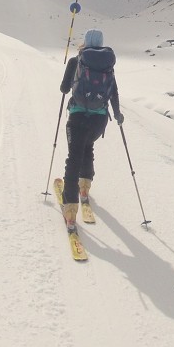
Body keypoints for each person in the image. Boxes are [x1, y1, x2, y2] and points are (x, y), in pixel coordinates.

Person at [59, 28, 124, 228]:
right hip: (99, 120)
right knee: (88, 147)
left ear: (85, 42)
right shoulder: (108, 64)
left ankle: (70, 207)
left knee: (74, 157)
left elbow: (64, 88)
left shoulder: (76, 60)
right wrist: (118, 114)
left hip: (78, 116)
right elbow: (113, 92)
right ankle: (84, 186)